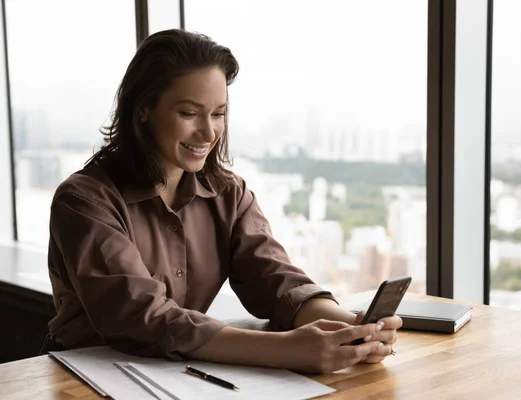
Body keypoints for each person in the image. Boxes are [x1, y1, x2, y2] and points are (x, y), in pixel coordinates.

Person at [46, 29, 402, 374]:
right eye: (188, 113)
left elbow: (275, 279)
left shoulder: (228, 193)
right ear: (143, 110)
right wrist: (289, 350)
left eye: (218, 113)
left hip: (178, 371)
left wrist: (352, 328)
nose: (209, 132)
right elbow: (143, 316)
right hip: (85, 375)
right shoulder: (83, 201)